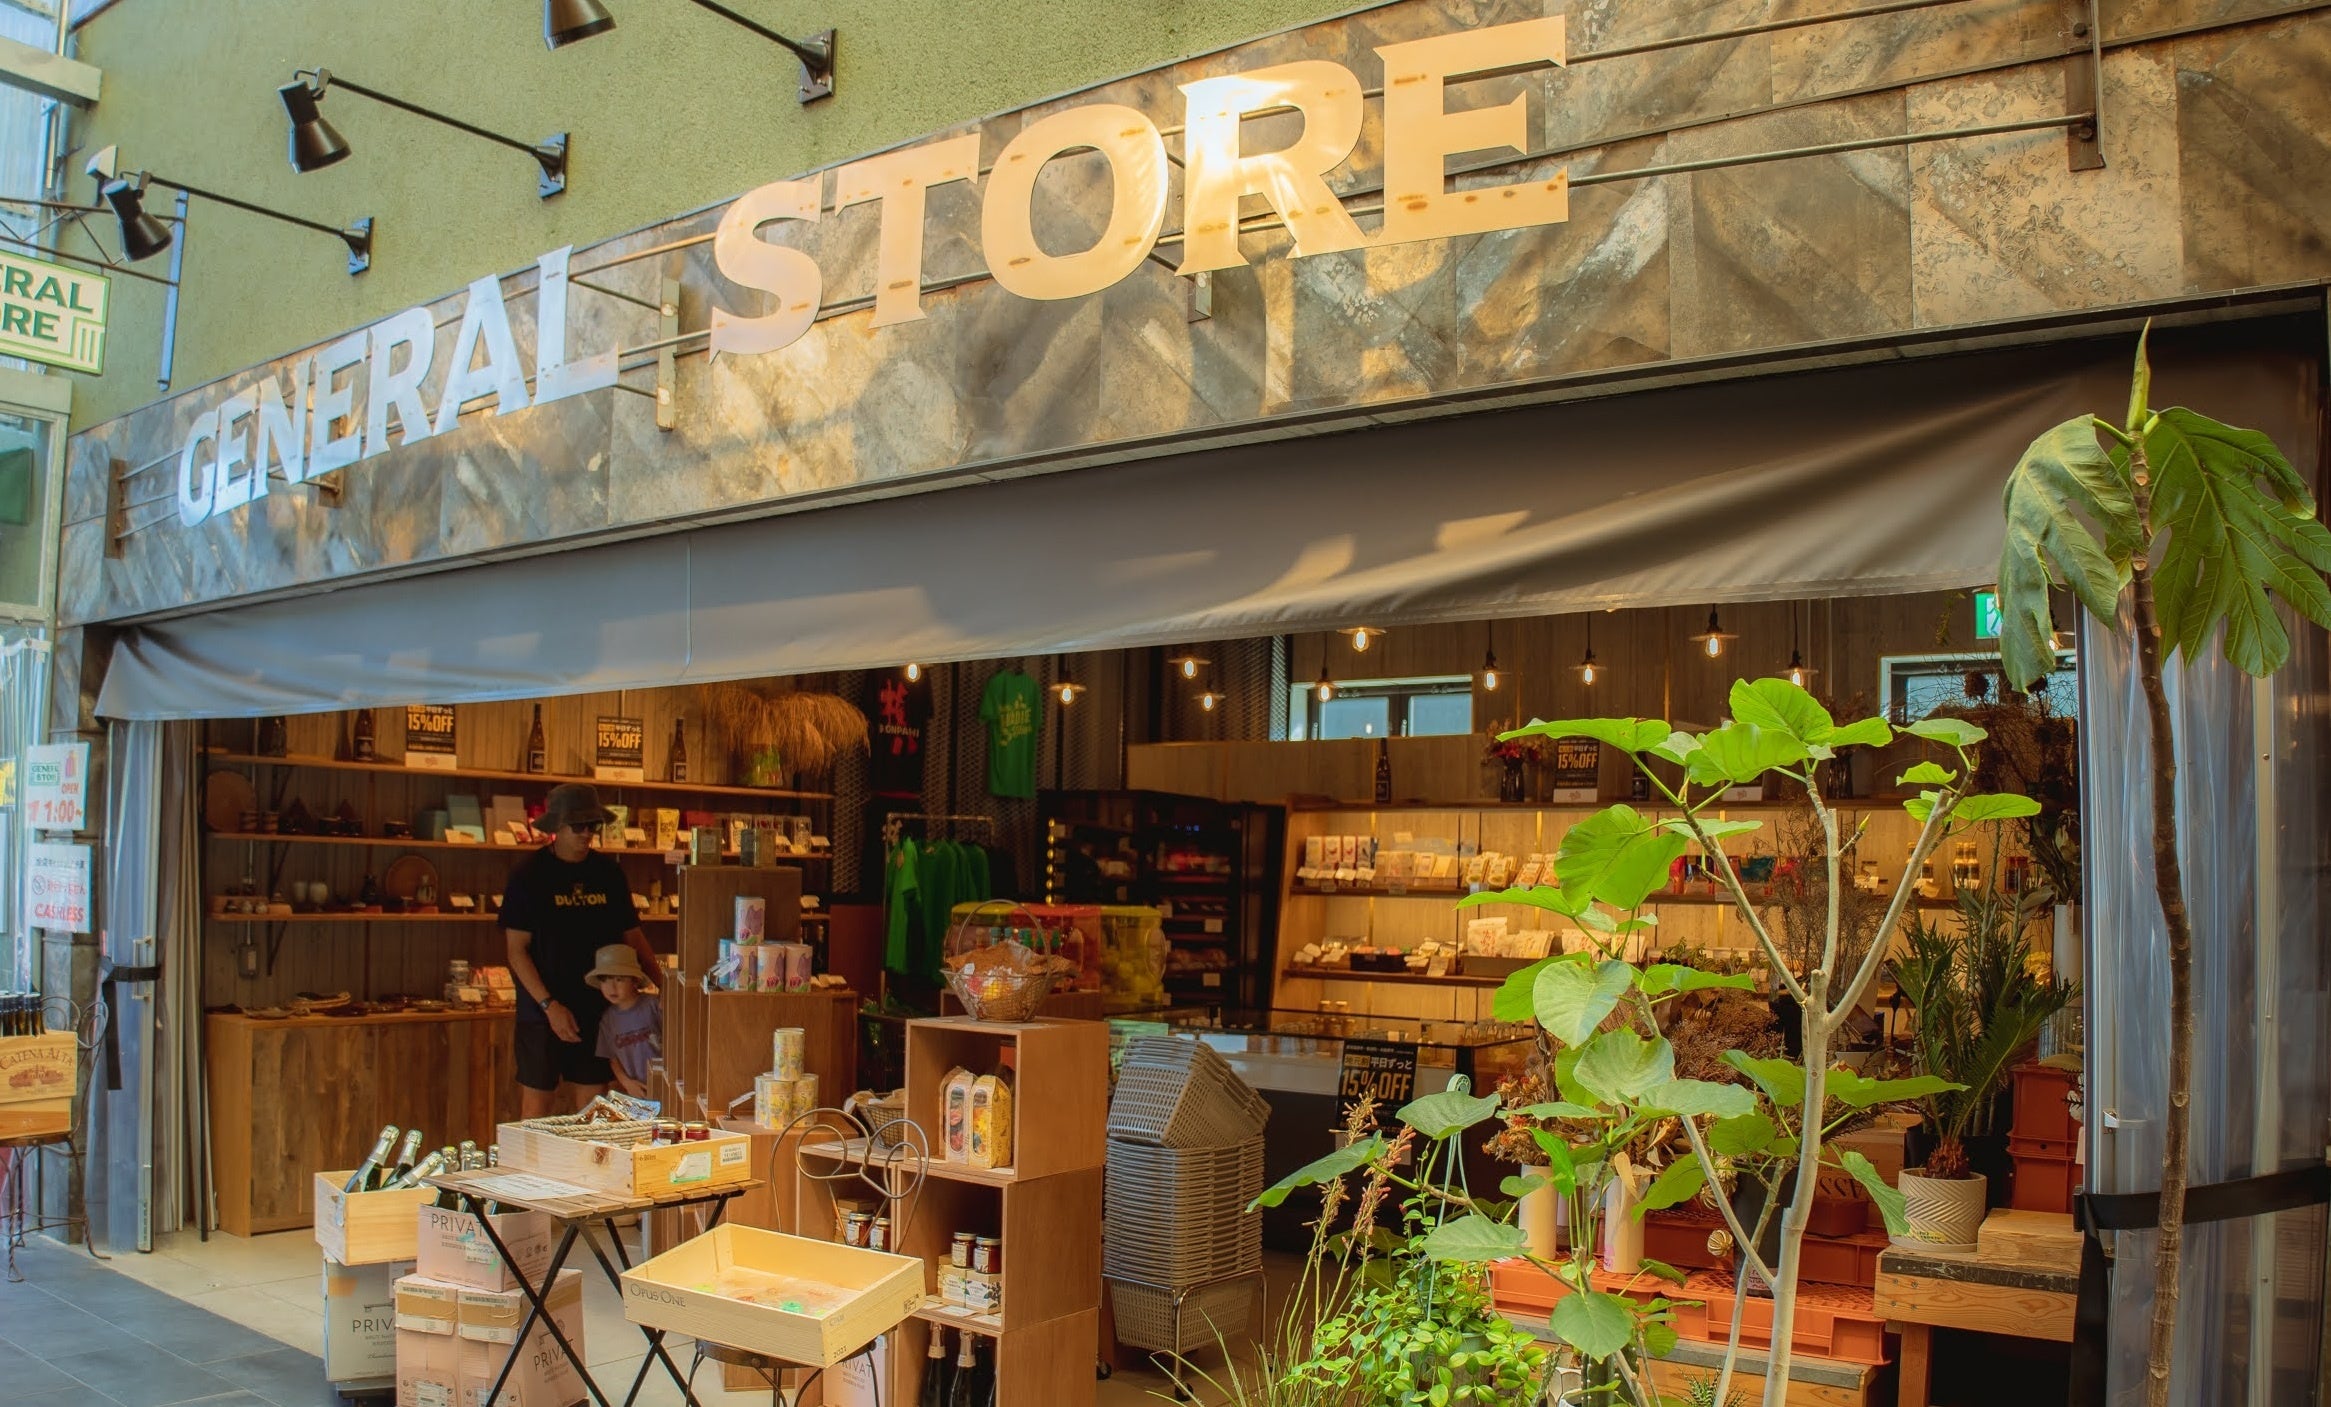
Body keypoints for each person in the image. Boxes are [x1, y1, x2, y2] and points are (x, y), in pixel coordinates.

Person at [502, 783, 658, 1117]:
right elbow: (516, 951)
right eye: (578, 826)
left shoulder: (608, 874)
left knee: (593, 1107)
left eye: (593, 825)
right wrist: (549, 1005)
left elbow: (633, 936)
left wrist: (665, 986)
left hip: (597, 1006)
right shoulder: (527, 875)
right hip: (541, 1011)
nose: (587, 833)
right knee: (536, 1106)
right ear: (556, 827)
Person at [586, 944, 663, 1099]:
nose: (611, 987)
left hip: (666, 1083)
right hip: (637, 1091)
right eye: (605, 980)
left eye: (619, 979)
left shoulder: (654, 1006)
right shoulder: (608, 1020)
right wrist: (627, 1083)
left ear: (635, 981)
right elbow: (612, 1058)